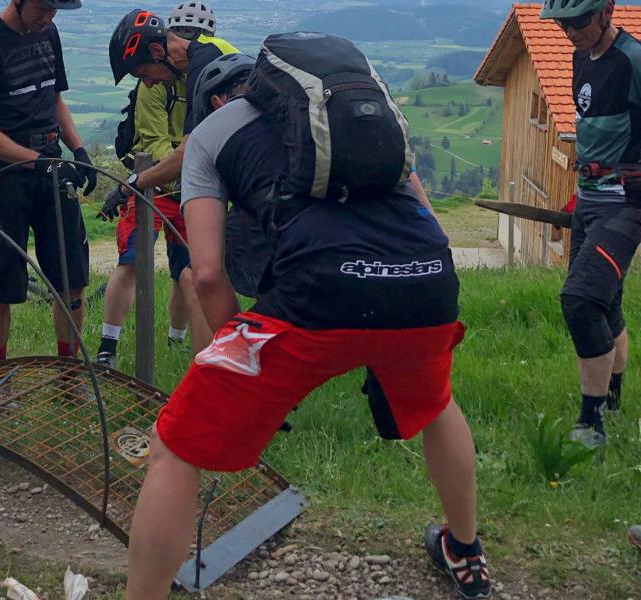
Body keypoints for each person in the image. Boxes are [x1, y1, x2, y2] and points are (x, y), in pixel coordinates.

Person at [123, 36, 492, 600]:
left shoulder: (208, 139)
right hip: (425, 281)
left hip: (317, 291)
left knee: (174, 446)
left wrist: (244, 359)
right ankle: (465, 553)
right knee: (438, 402)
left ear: (214, 102)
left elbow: (207, 275)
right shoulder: (362, 125)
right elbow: (434, 226)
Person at [0, 0, 96, 365]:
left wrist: (79, 150)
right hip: (2, 176)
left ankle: (68, 372)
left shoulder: (48, 33)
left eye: (54, 11)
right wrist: (37, 163)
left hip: (49, 163)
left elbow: (55, 100)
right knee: (3, 283)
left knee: (72, 278)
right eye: (42, 8)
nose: (48, 18)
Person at [95, 2, 224, 368]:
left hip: (193, 188)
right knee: (132, 261)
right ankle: (108, 347)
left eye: (142, 71)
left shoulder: (204, 70)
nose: (145, 79)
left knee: (189, 272)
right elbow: (152, 144)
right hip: (157, 184)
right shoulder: (152, 87)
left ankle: (177, 341)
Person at [539, 0, 641, 448]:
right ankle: (615, 400)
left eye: (578, 20)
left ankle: (591, 423)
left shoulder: (634, 62)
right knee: (604, 301)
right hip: (589, 197)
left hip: (627, 202)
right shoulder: (580, 56)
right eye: (561, 23)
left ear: (606, 13)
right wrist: (580, 188)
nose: (569, 30)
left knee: (580, 300)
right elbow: (592, 131)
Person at [106, 9, 238, 207]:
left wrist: (127, 187)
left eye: (143, 73)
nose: (148, 84)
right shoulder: (204, 57)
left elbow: (186, 155)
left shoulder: (204, 67)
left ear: (157, 51)